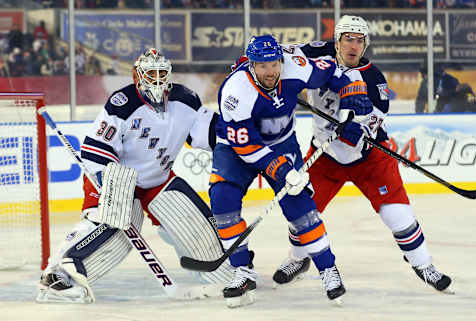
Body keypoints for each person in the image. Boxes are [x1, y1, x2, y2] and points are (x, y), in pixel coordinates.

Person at [272, 15, 453, 294]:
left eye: (359, 40)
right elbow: (281, 54)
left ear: (365, 44)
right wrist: (253, 63)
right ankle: (297, 259)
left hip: (368, 158)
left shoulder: (373, 78)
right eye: (348, 39)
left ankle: (424, 264)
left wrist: (358, 127)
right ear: (337, 41)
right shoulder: (317, 52)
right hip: (325, 154)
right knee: (301, 216)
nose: (353, 46)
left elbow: (376, 117)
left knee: (399, 217)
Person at [36, 48, 234, 303]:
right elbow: (97, 151)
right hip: (116, 177)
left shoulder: (186, 101)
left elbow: (213, 134)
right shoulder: (122, 104)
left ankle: (223, 272)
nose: (158, 79)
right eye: (151, 73)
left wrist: (249, 136)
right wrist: (112, 189)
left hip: (157, 181)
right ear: (137, 75)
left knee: (197, 226)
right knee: (110, 227)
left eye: (162, 73)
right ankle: (58, 276)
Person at [211, 34, 376, 307]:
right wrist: (281, 169)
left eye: (274, 64)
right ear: (251, 65)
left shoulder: (296, 66)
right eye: (262, 66)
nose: (270, 71)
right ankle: (242, 270)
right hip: (235, 147)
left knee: (300, 207)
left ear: (281, 60)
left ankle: (328, 269)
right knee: (222, 200)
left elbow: (338, 73)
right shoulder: (235, 91)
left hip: (281, 142)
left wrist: (349, 104)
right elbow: (247, 146)